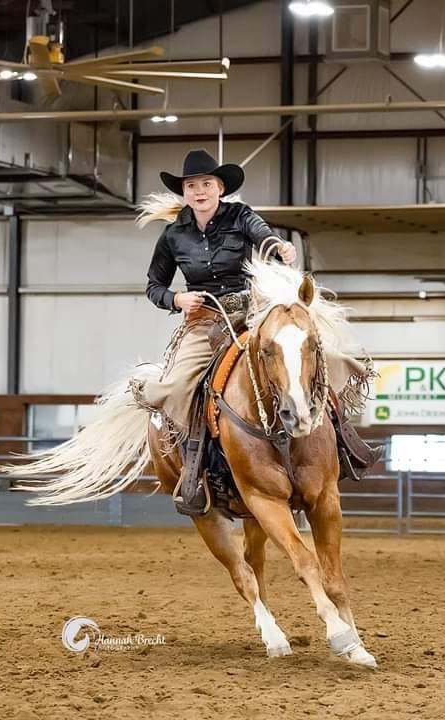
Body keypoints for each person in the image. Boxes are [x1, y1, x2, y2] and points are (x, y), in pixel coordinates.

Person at [130, 149, 377, 513]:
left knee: (322, 358)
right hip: (204, 322)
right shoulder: (172, 236)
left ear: (220, 188)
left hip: (254, 313)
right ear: (184, 192)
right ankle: (193, 466)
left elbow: (263, 236)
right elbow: (154, 285)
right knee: (178, 386)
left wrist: (278, 247)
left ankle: (344, 442)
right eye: (192, 186)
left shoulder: (240, 215)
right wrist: (177, 299)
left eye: (206, 184)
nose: (200, 191)